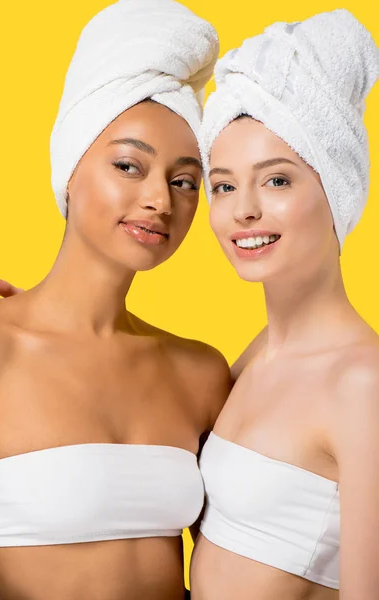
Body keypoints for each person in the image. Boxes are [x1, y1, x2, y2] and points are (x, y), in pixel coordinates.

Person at [0, 2, 230, 600]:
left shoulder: (199, 372)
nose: (160, 201)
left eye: (184, 180)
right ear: (70, 167)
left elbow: (247, 559)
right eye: (128, 165)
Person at [190, 9, 379, 600]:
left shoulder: (363, 383)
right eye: (223, 185)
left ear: (336, 187)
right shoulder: (256, 356)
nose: (242, 211)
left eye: (276, 180)